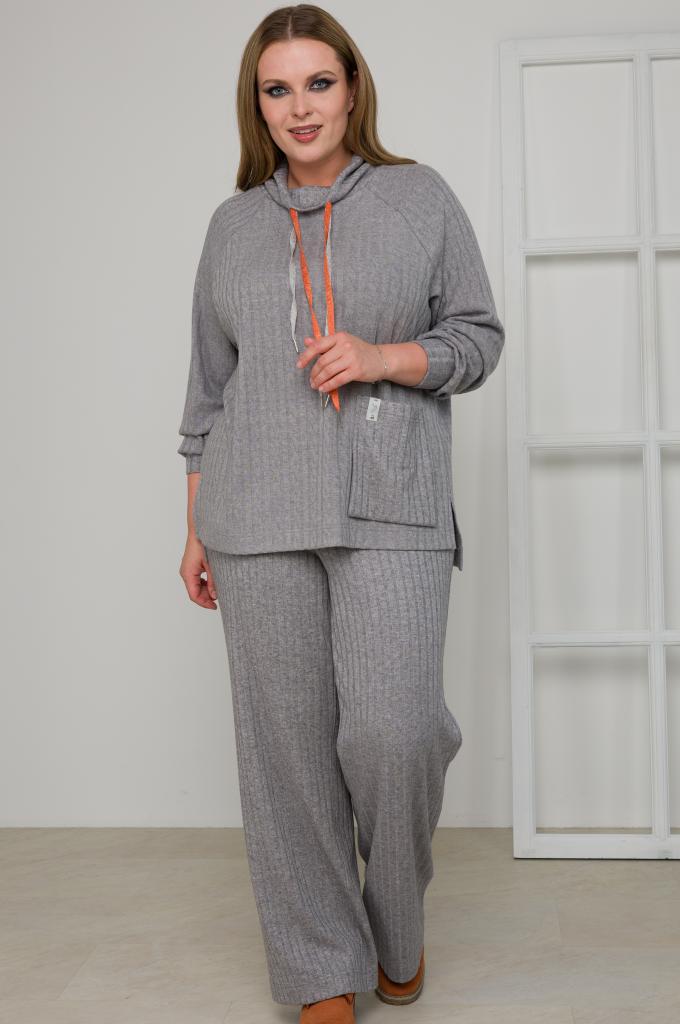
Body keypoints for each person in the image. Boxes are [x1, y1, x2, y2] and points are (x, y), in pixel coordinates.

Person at [177, 5, 505, 1021]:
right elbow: (207, 395)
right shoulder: (232, 225)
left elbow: (478, 338)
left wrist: (382, 356)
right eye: (277, 89)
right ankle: (322, 966)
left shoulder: (418, 198)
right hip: (251, 515)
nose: (300, 107)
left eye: (318, 82)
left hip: (391, 508)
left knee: (393, 732)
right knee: (285, 756)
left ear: (352, 87)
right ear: (257, 104)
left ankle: (395, 920)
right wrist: (194, 527)